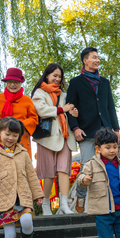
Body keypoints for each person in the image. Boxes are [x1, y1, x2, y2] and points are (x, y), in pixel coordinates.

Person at [66, 47, 120, 213]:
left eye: (98, 58)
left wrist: (116, 128)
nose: (97, 60)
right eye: (94, 57)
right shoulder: (75, 82)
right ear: (85, 60)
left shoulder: (104, 82)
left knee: (107, 166)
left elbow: (110, 106)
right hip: (86, 131)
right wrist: (75, 128)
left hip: (105, 130)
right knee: (86, 165)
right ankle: (81, 197)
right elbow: (70, 107)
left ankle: (107, 200)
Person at [31, 63, 79, 215]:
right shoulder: (39, 92)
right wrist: (61, 109)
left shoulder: (64, 95)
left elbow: (70, 111)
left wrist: (74, 113)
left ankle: (64, 203)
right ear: (47, 75)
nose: (57, 79)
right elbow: (41, 110)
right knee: (49, 173)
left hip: (65, 137)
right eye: (54, 75)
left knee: (64, 170)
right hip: (47, 138)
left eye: (59, 76)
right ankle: (46, 204)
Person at [0, 67, 38, 159]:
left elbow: (34, 119)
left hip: (21, 139)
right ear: (6, 82)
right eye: (10, 82)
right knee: (0, 164)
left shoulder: (27, 100)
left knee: (21, 165)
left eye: (16, 82)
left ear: (21, 83)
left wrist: (19, 125)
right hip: (0, 140)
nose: (12, 84)